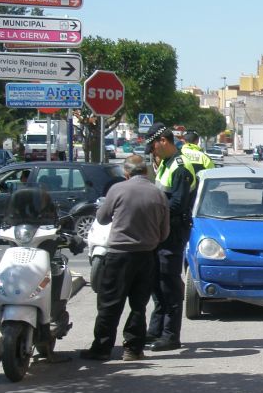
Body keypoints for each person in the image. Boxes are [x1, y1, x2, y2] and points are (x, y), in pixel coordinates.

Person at [80, 155, 170, 361]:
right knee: (138, 305)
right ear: (146, 172)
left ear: (126, 173)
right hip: (147, 256)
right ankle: (133, 349)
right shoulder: (158, 194)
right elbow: (164, 233)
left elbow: (102, 218)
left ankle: (102, 348)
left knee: (109, 303)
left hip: (119, 255)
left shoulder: (118, 190)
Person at [145, 123, 197, 352]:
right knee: (157, 283)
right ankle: (155, 330)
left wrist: (151, 211)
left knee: (169, 285)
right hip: (160, 232)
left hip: (172, 233)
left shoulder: (180, 166)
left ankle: (170, 335)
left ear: (163, 141)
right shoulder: (165, 164)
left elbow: (177, 203)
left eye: (153, 147)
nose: (152, 152)